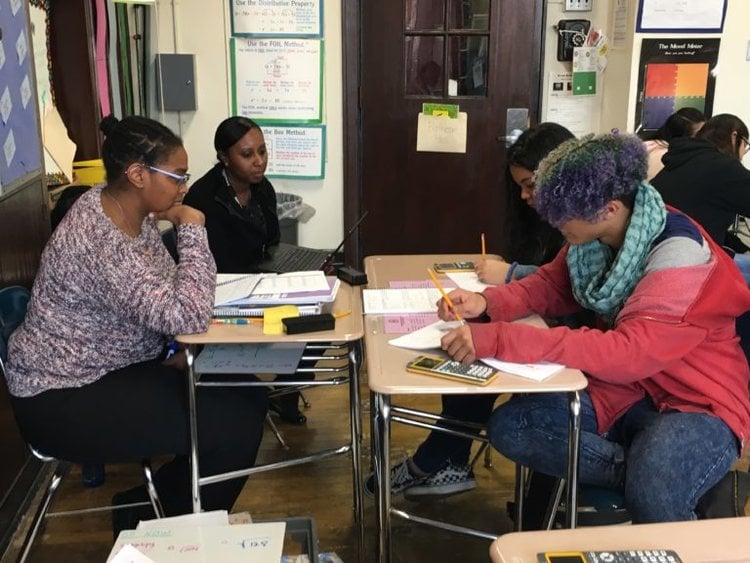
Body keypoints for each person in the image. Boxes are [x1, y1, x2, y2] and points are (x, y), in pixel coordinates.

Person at [436, 133, 750, 523]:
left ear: (608, 209)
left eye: (561, 215)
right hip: (627, 393)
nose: (551, 221)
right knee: (513, 426)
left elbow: (628, 354)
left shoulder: (681, 255)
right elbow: (554, 284)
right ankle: (656, 474)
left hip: (696, 404)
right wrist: (487, 303)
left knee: (653, 494)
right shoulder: (599, 235)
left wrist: (500, 338)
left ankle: (666, 483)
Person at [5, 115, 268, 534]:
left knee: (250, 395)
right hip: (64, 394)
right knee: (231, 427)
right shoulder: (100, 240)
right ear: (137, 174)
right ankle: (156, 525)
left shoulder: (129, 213)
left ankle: (149, 507)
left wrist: (174, 346)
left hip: (112, 368)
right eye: (178, 176)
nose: (185, 187)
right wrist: (193, 228)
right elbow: (187, 314)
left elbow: (166, 299)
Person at [364, 123, 575, 499]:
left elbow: (568, 283)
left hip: (570, 344)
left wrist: (509, 275)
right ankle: (449, 461)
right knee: (468, 359)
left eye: (531, 184)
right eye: (519, 187)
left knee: (481, 367)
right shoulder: (544, 220)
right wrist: (489, 299)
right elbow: (550, 282)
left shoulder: (583, 225)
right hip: (544, 322)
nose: (525, 196)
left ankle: (433, 461)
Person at [183, 116, 306, 424]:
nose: (259, 162)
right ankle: (260, 397)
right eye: (248, 154)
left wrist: (290, 269)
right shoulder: (202, 199)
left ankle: (283, 391)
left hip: (262, 282)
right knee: (298, 323)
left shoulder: (263, 189)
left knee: (318, 320)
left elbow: (273, 242)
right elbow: (209, 265)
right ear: (224, 157)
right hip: (223, 297)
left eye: (263, 151)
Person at [651, 113, 750, 276]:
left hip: (662, 253)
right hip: (693, 262)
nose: (743, 154)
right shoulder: (723, 167)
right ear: (734, 136)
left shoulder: (681, 160)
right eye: (745, 145)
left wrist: (742, 249)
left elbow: (704, 217)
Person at [639, 107, 705, 180]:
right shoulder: (670, 156)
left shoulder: (647, 145)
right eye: (699, 133)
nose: (704, 137)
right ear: (682, 134)